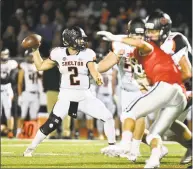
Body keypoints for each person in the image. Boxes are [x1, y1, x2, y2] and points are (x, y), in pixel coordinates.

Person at [97, 24, 187, 168]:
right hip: (135, 88)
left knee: (134, 115)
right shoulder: (126, 46)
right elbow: (106, 64)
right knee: (150, 131)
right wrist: (93, 68)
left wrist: (115, 37)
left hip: (151, 88)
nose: (137, 38)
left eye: (140, 34)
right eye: (134, 34)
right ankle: (157, 152)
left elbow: (142, 47)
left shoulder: (149, 47)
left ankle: (131, 148)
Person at [23, 26, 117, 157]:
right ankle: (30, 148)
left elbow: (93, 70)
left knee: (107, 117)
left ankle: (112, 147)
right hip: (66, 96)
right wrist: (35, 50)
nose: (82, 42)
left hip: (85, 96)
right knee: (51, 124)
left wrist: (97, 77)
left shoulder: (87, 53)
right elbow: (40, 66)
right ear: (69, 40)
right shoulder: (58, 53)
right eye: (79, 39)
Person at [145, 10, 192, 164]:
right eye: (149, 30)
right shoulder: (155, 45)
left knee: (166, 128)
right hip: (175, 89)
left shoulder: (174, 41)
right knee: (167, 130)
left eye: (154, 31)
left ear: (164, 30)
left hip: (187, 87)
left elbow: (187, 73)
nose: (150, 34)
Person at [17, 50, 40, 137]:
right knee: (22, 115)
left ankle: (32, 133)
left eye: (32, 56)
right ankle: (18, 132)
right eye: (30, 56)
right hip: (26, 93)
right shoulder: (23, 66)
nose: (31, 58)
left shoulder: (37, 66)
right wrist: (19, 96)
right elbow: (19, 82)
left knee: (34, 116)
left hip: (35, 94)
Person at [1, 48, 18, 138]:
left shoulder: (12, 63)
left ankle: (10, 131)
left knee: (8, 111)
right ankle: (4, 129)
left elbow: (12, 78)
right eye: (1, 54)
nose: (2, 56)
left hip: (7, 88)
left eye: (4, 54)